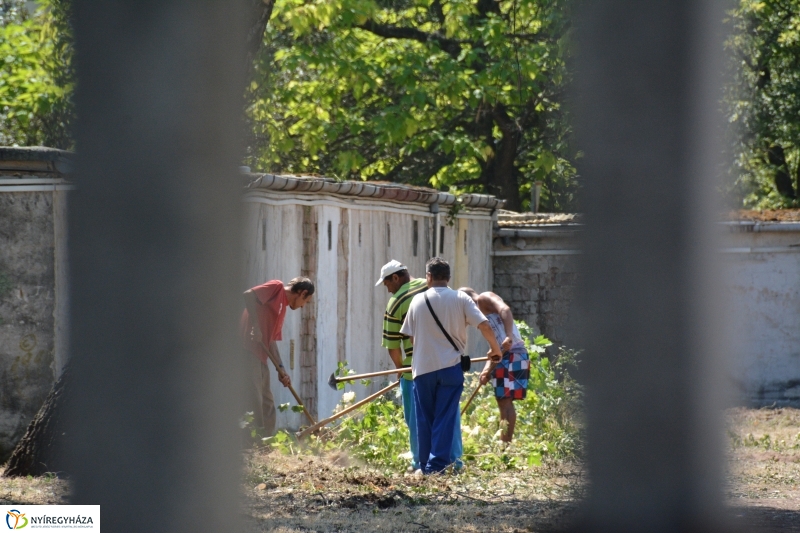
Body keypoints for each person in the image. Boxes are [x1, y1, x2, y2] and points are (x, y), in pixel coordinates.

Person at [400, 257, 502, 474]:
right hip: (450, 368)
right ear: (448, 277)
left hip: (422, 370)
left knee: (424, 419)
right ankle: (437, 467)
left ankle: (426, 468)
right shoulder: (460, 298)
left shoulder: (417, 301)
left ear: (428, 277)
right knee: (445, 417)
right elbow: (483, 324)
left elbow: (409, 337)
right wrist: (495, 349)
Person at [378, 259, 465, 472]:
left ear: (396, 278)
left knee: (418, 420)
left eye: (387, 284)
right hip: (448, 363)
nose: (387, 289)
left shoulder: (396, 302)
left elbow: (392, 345)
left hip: (416, 370)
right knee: (448, 415)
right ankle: (454, 462)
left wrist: (400, 370)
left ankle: (420, 462)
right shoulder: (429, 286)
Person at [240, 277, 314, 436]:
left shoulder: (282, 312)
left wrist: (281, 369)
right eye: (306, 301)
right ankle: (255, 442)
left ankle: (267, 441)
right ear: (302, 293)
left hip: (261, 355)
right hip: (248, 350)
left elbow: (271, 342)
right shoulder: (277, 287)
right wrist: (255, 326)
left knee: (267, 402)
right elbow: (248, 295)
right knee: (256, 400)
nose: (303, 306)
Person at [460, 287, 529, 442]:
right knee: (503, 401)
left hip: (513, 353)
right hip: (509, 354)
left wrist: (509, 336)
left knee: (504, 402)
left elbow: (505, 309)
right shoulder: (480, 316)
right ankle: (505, 445)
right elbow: (495, 349)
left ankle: (505, 446)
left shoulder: (483, 299)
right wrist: (486, 371)